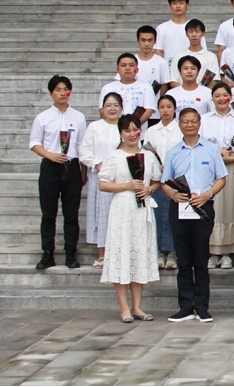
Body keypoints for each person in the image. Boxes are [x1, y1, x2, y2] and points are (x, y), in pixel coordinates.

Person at [161, 108, 227, 323]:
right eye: (185, 121)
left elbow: (221, 179)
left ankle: (202, 306)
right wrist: (173, 194)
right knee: (183, 259)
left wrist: (208, 194)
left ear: (199, 124)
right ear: (180, 124)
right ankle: (185, 306)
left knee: (200, 258)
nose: (189, 125)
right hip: (179, 208)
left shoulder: (211, 149)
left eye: (193, 121)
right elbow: (165, 182)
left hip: (203, 207)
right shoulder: (173, 152)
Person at [98, 114, 162, 323]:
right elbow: (103, 184)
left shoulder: (148, 156)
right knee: (122, 253)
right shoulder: (114, 156)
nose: (132, 134)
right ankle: (124, 308)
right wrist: (126, 186)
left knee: (138, 253)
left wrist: (148, 190)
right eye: (127, 130)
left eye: (135, 130)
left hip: (142, 209)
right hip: (122, 207)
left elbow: (157, 181)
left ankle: (137, 307)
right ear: (121, 133)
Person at [29, 75, 87, 270]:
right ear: (51, 93)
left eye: (66, 89)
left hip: (72, 167)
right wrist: (50, 155)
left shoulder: (78, 117)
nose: (62, 93)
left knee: (71, 214)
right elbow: (34, 143)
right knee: (48, 213)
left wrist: (83, 171)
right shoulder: (43, 117)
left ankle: (71, 253)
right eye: (58, 90)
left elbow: (82, 146)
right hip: (50, 167)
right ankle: (48, 253)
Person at [200, 83, 234, 269]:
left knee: (230, 206)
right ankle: (213, 252)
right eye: (217, 95)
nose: (221, 99)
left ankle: (227, 252)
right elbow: (200, 143)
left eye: (225, 95)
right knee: (214, 207)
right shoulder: (204, 119)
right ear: (212, 98)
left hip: (233, 165)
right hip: (210, 166)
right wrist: (218, 153)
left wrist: (233, 157)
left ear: (231, 97)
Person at [80, 92, 122, 269]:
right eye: (108, 105)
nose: (112, 109)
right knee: (102, 216)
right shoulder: (94, 127)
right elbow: (84, 151)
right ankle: (103, 254)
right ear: (102, 108)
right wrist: (98, 164)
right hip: (100, 176)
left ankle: (119, 255)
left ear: (121, 108)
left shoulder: (126, 126)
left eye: (116, 105)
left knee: (120, 216)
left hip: (121, 179)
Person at [143, 95, 183, 270]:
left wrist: (172, 166)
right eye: (162, 107)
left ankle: (173, 251)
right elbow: (146, 152)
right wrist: (156, 166)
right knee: (158, 215)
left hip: (176, 180)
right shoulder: (151, 131)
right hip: (157, 179)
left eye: (169, 107)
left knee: (173, 216)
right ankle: (159, 251)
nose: (165, 110)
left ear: (175, 109)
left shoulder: (180, 129)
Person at [99, 53, 156, 133]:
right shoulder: (107, 88)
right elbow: (102, 112)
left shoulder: (146, 87)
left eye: (131, 65)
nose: (127, 68)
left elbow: (148, 111)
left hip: (138, 134)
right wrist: (120, 128)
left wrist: (132, 128)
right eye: (123, 65)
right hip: (113, 132)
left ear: (137, 69)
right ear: (117, 70)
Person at [154, 0, 207, 65]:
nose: (178, 6)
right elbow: (158, 52)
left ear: (187, 6)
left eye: (181, 3)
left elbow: (202, 50)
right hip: (169, 68)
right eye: (174, 3)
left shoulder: (195, 28)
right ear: (170, 6)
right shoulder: (161, 28)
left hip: (191, 68)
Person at [169, 19, 220, 88]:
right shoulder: (178, 56)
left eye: (197, 31)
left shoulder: (211, 57)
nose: (194, 35)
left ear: (203, 33)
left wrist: (201, 92)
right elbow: (173, 81)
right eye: (191, 31)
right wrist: (185, 91)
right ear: (186, 34)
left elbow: (213, 81)